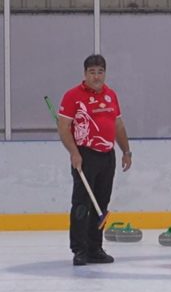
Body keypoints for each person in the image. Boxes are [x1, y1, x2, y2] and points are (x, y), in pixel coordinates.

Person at [56, 55, 132, 266]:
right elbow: (63, 128)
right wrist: (74, 152)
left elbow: (118, 125)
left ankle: (95, 248)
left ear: (105, 73)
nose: (96, 76)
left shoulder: (111, 95)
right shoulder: (73, 96)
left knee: (101, 204)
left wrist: (126, 151)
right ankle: (79, 250)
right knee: (82, 204)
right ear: (85, 74)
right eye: (92, 72)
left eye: (100, 72)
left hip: (107, 155)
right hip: (85, 155)